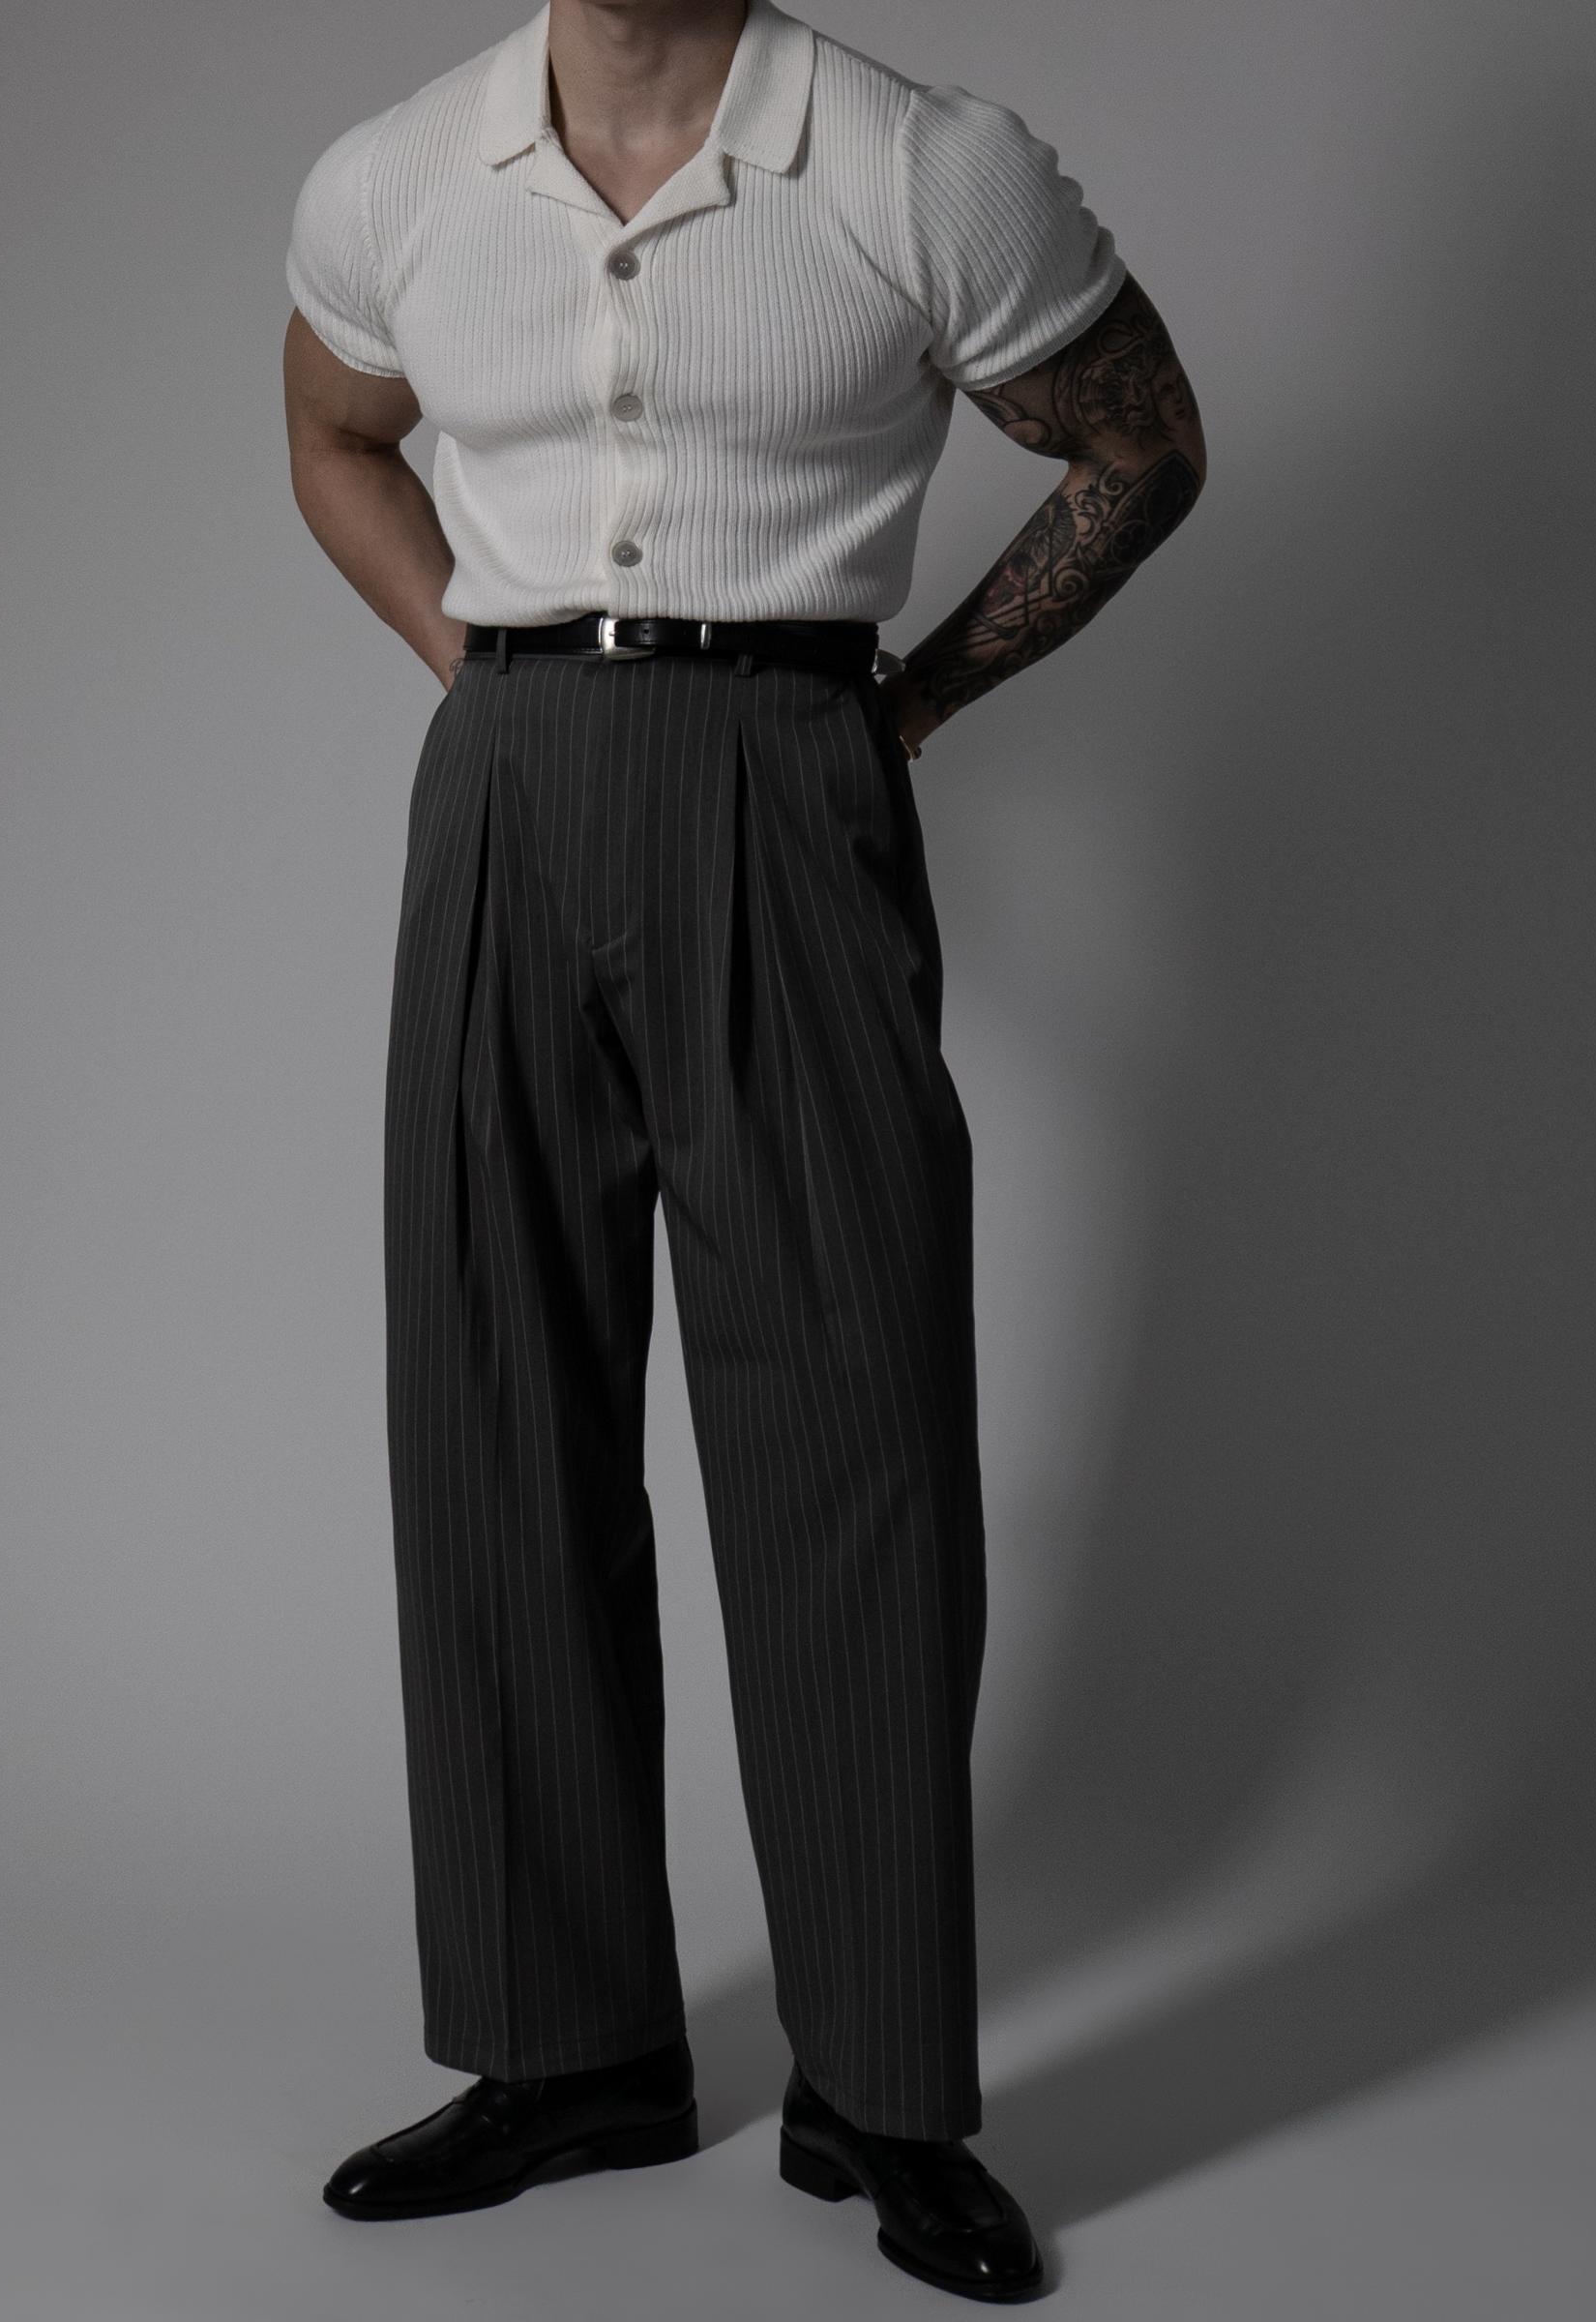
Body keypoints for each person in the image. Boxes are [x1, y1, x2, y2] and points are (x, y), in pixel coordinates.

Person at [281, 0, 1204, 2301]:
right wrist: (487, 674)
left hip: (789, 770)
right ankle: (564, 2048)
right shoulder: (396, 175)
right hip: (507, 786)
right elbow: (333, 429)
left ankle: (878, 2089)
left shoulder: (918, 166)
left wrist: (913, 701)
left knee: (848, 1428)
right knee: (494, 1405)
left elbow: (1142, 442)